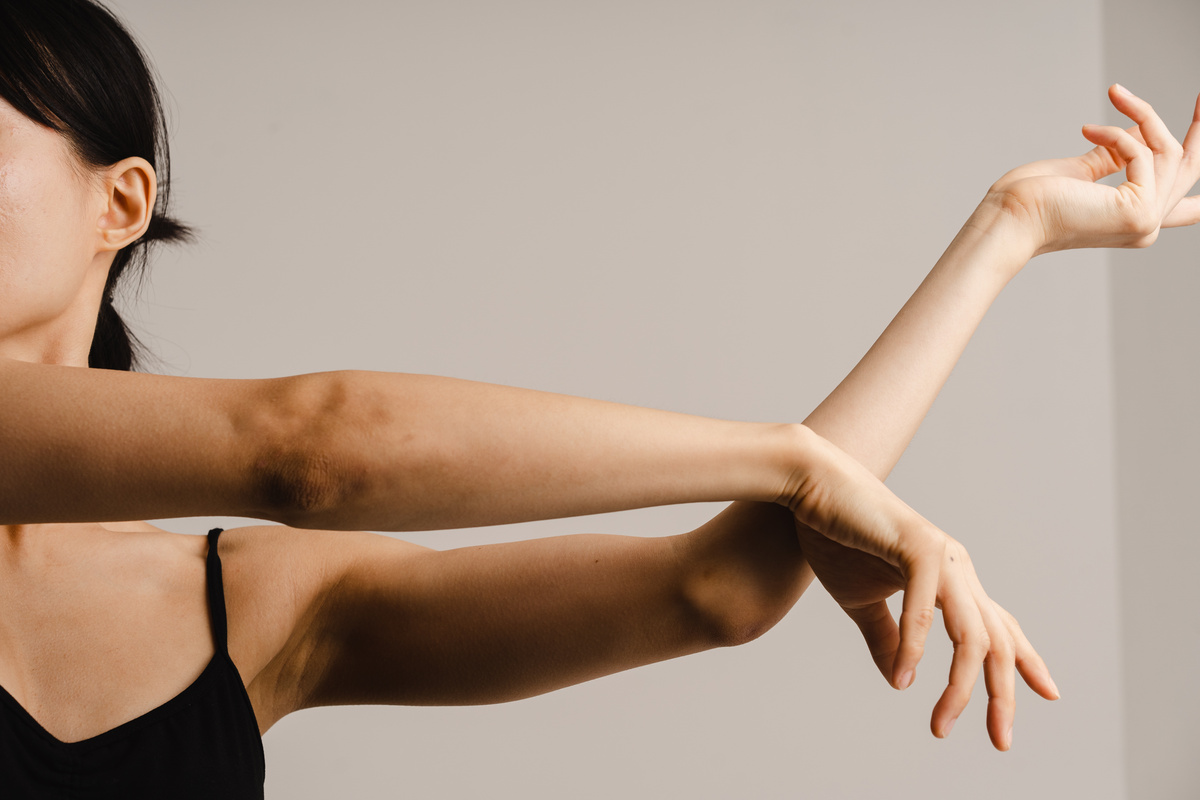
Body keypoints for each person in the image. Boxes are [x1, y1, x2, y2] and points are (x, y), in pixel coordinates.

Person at [0, 0, 1196, 796]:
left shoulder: (254, 605)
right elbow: (312, 448)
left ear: (122, 201)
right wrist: (788, 458)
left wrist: (1008, 229)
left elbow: (716, 585)